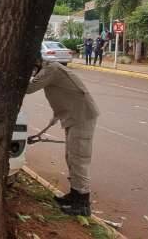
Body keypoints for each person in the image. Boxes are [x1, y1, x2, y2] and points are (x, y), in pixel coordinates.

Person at [27, 52, 99, 216]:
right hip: (73, 115)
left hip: (82, 116)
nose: (31, 72)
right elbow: (62, 93)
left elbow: (29, 88)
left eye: (31, 69)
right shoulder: (50, 68)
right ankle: (74, 196)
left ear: (37, 62)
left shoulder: (50, 69)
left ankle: (82, 205)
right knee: (71, 156)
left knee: (78, 158)